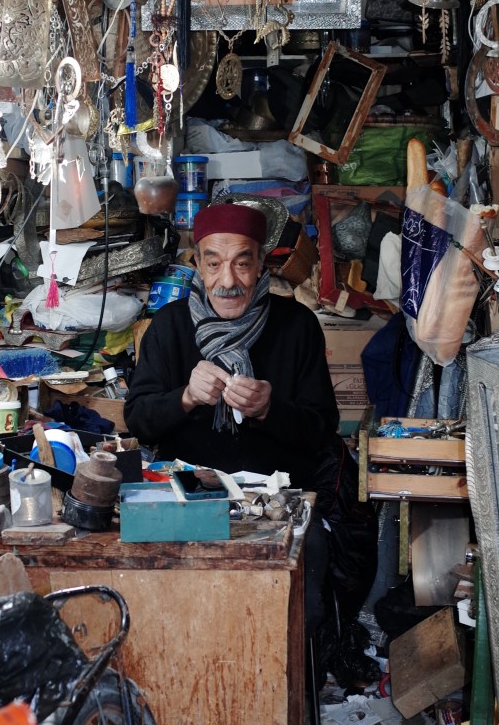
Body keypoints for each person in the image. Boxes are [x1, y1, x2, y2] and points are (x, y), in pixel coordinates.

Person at [124, 202, 377, 653]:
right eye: (214, 264)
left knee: (297, 611)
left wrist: (269, 409)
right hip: (191, 502)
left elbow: (323, 428)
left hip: (279, 505)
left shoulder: (296, 325)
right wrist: (185, 397)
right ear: (197, 265)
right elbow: (139, 419)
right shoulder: (169, 328)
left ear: (260, 264)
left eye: (242, 263)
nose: (228, 280)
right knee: (180, 615)